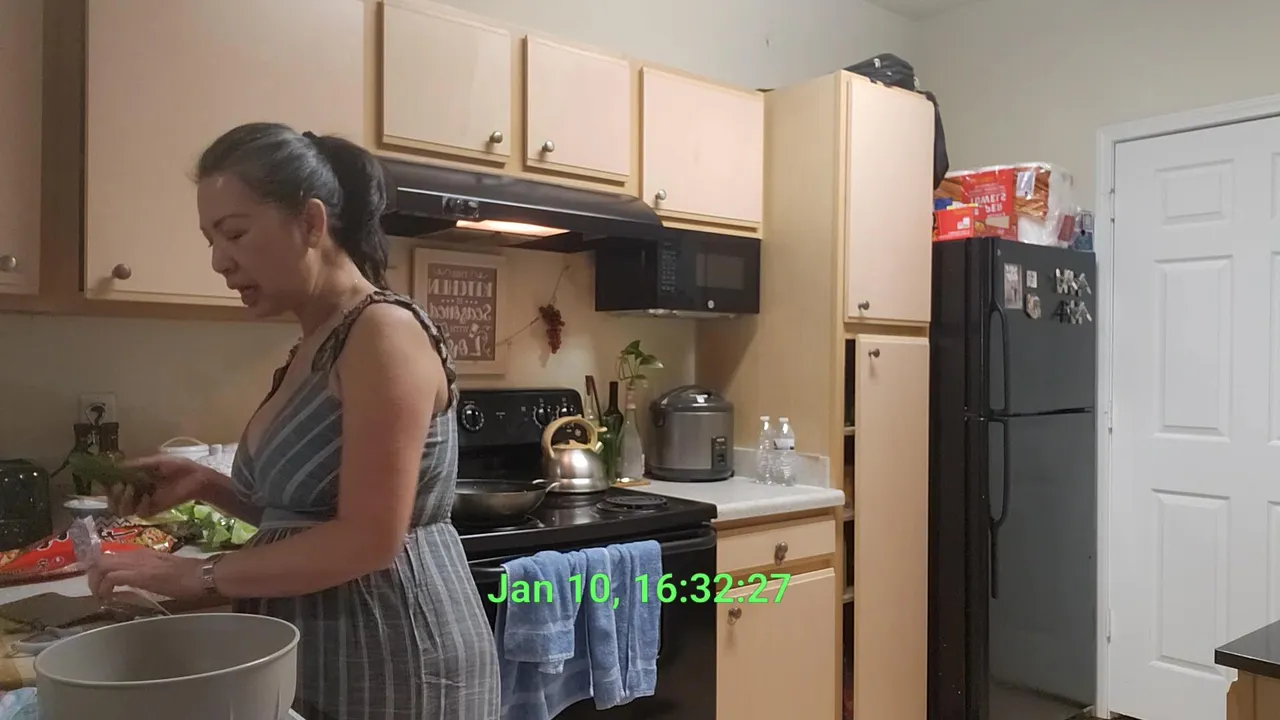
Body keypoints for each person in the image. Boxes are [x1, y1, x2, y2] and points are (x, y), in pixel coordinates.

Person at [92, 122, 500, 720]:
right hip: (320, 653)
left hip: (399, 660)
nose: (218, 261)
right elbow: (305, 521)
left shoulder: (382, 332)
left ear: (311, 222)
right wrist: (206, 485)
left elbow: (368, 538)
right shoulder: (314, 345)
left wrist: (193, 574)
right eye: (210, 239)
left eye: (235, 233)